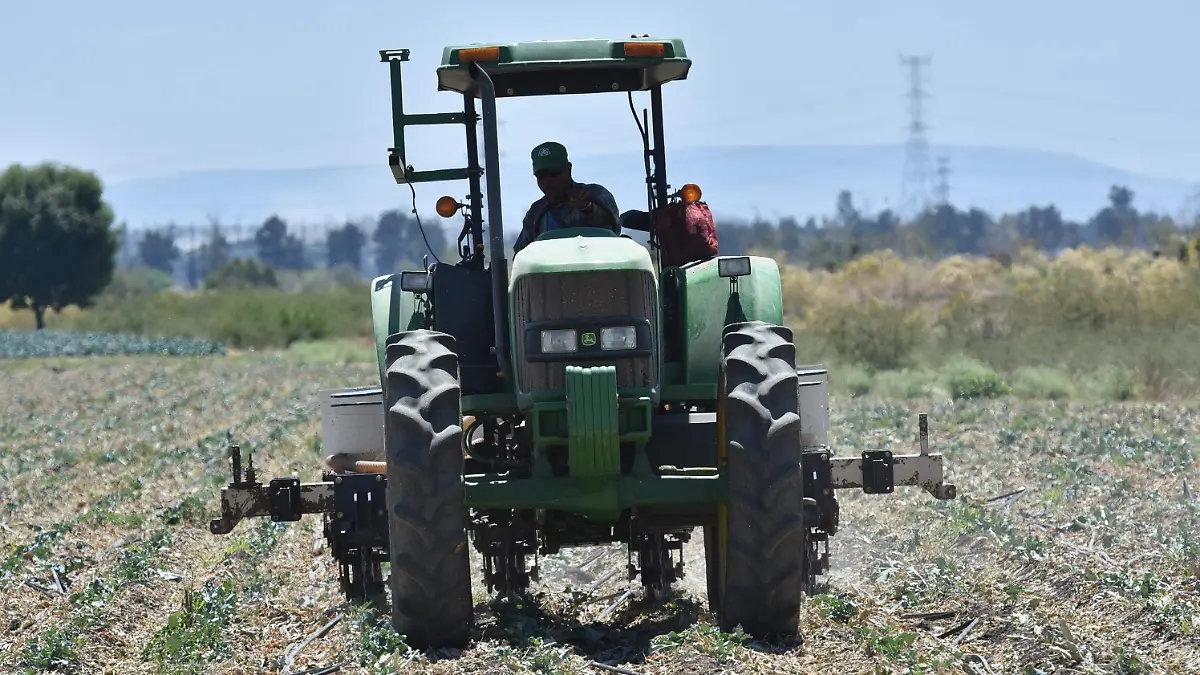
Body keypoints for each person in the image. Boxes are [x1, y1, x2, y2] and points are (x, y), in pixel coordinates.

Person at [513, 141, 621, 253]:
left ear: (569, 169)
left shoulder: (595, 194)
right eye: (542, 176)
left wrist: (587, 208)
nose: (549, 181)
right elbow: (521, 252)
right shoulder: (536, 211)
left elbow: (614, 226)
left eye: (555, 173)